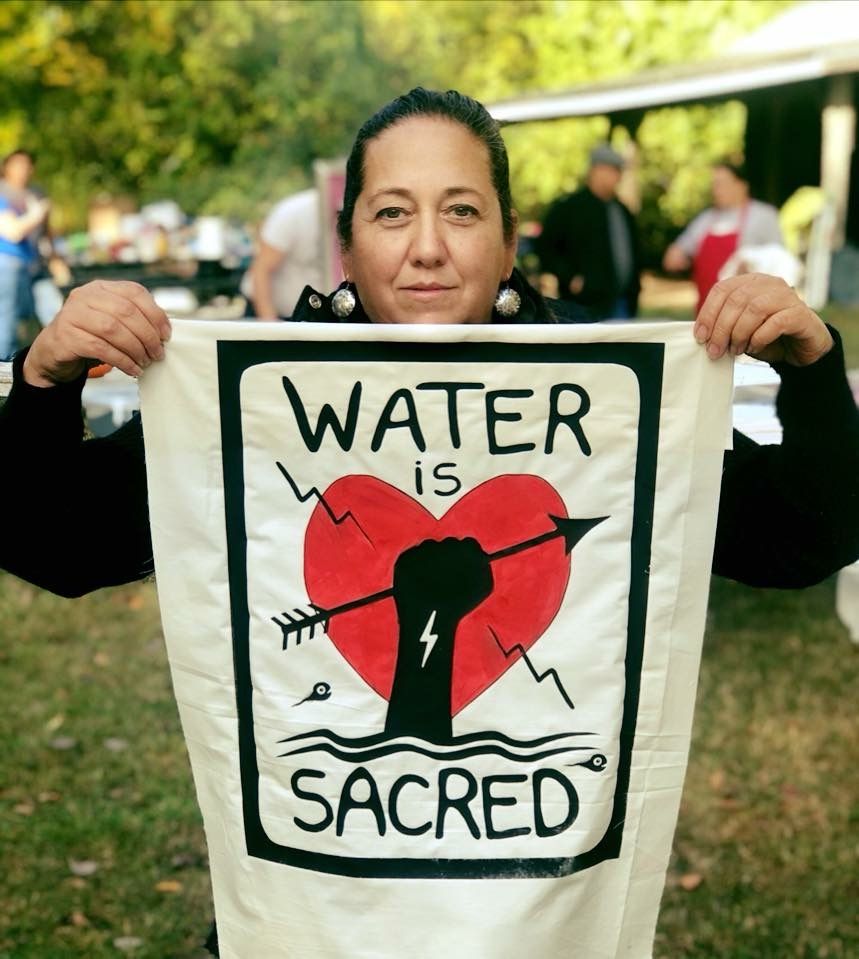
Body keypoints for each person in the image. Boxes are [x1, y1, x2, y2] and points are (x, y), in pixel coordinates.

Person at [1, 89, 858, 957]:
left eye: (460, 211)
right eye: (391, 213)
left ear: (507, 234)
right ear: (346, 244)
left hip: (535, 925)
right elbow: (60, 544)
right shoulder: (256, 402)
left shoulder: (607, 405)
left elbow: (802, 537)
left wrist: (812, 367)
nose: (427, 249)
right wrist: (45, 382)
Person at [663, 160, 784, 313]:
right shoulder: (705, 219)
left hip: (749, 313)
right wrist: (676, 255)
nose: (716, 190)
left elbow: (781, 263)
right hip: (706, 311)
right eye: (714, 184)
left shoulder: (764, 216)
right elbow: (677, 253)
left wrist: (753, 266)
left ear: (742, 186)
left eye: (722, 184)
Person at [536, 143, 641, 320]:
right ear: (596, 170)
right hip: (584, 306)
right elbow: (545, 247)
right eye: (613, 170)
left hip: (622, 302)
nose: (618, 176)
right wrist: (570, 278)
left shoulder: (622, 210)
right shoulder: (569, 209)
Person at [240, 186, 322, 320]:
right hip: (274, 315)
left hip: (309, 316)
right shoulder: (294, 212)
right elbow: (261, 270)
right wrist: (271, 325)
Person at [0, 149, 50, 358]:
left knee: (26, 319)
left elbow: (44, 234)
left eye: (26, 165)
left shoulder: (34, 193)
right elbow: (13, 232)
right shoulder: (2, 193)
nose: (23, 170)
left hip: (29, 266)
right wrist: (37, 213)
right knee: (6, 319)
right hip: (8, 263)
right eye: (17, 164)